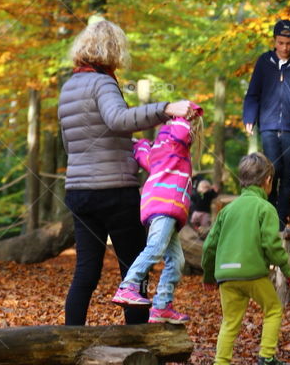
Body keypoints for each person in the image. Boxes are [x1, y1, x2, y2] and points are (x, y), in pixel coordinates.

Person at [58, 18, 193, 327]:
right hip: (114, 192)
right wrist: (165, 108)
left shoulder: (69, 87)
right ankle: (142, 351)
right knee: (134, 268)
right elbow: (118, 119)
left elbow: (70, 142)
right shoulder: (103, 82)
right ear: (113, 50)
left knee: (86, 272)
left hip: (78, 193)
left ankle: (69, 345)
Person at [202, 152, 290, 365]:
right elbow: (272, 244)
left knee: (230, 321)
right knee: (273, 308)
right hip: (252, 273)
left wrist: (209, 275)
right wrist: (287, 268)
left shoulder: (227, 210)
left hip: (226, 275)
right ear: (267, 181)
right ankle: (267, 357)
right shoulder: (265, 208)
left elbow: (210, 246)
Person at [110, 105, 204, 324]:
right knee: (155, 248)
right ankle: (128, 286)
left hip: (161, 206)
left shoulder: (160, 149)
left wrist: (139, 144)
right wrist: (186, 112)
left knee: (177, 260)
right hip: (166, 205)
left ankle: (162, 305)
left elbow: (143, 154)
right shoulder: (175, 142)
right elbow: (181, 130)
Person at [242, 18, 290, 228]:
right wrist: (250, 117)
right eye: (281, 42)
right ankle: (269, 216)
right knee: (271, 171)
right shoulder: (264, 62)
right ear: (275, 41)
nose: (285, 47)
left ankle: (282, 220)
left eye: (289, 43)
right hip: (269, 125)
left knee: (288, 173)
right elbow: (253, 93)